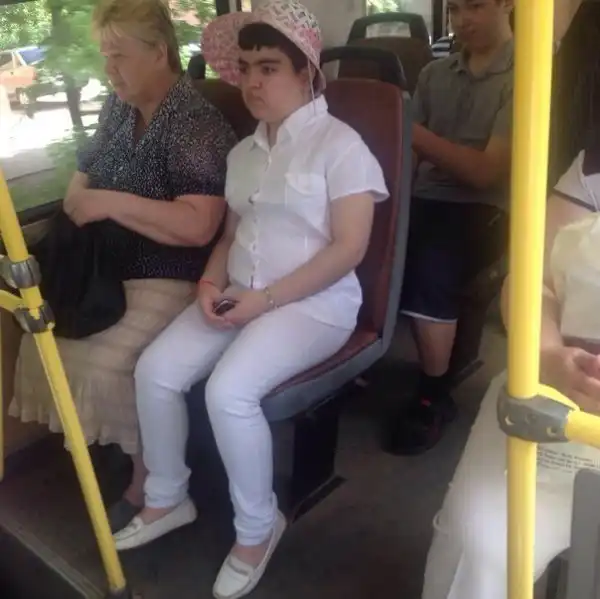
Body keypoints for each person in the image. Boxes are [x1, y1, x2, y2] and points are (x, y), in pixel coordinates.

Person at [112, 2, 388, 598]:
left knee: (228, 392)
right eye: (245, 68)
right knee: (155, 370)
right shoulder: (242, 154)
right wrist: (211, 286)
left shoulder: (342, 147)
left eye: (269, 67)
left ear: (306, 72)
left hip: (316, 306)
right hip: (240, 293)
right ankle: (167, 495)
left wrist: (266, 299)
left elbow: (349, 249)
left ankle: (259, 529)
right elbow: (231, 237)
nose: (252, 82)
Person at [8, 0, 237, 533]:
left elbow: (198, 226)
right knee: (45, 340)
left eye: (119, 55)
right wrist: (91, 200)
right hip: (107, 267)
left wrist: (110, 203)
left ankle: (148, 478)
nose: (109, 68)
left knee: (113, 365)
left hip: (174, 273)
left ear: (159, 52)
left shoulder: (195, 123)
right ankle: (117, 448)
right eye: (104, 55)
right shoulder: (118, 108)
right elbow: (82, 178)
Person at [420, 141, 600, 599]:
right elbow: (531, 278)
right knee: (481, 546)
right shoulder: (593, 166)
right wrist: (550, 357)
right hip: (560, 401)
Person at [384, 0, 515, 456]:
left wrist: (413, 132)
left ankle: (433, 395)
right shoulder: (433, 75)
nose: (462, 20)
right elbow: (409, 157)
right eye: (455, 9)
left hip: (486, 207)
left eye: (475, 6)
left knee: (432, 260)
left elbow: (485, 174)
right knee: (360, 236)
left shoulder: (526, 77)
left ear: (507, 4)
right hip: (427, 196)